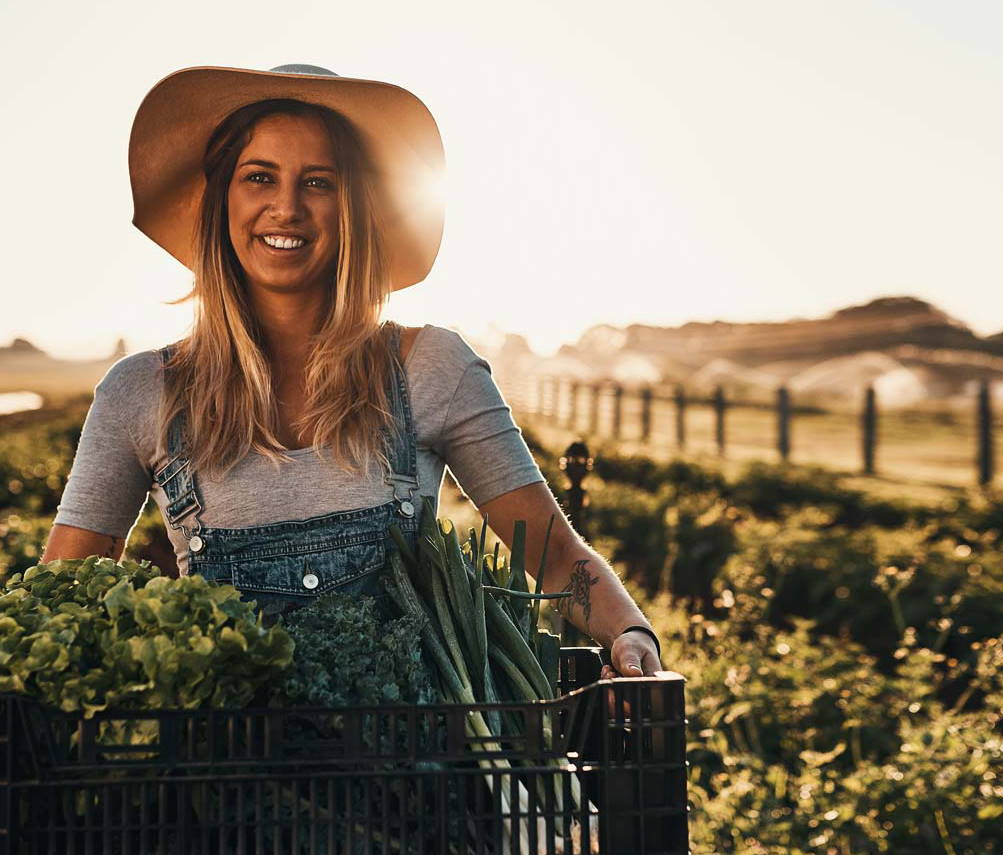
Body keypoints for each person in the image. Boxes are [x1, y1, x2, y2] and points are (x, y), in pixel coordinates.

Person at [42, 63, 663, 679]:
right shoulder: (142, 393)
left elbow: (555, 557)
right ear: (222, 198)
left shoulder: (431, 368)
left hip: (412, 764)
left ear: (354, 207)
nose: (286, 207)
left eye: (319, 182)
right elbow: (62, 602)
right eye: (260, 177)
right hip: (230, 768)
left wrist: (630, 632)